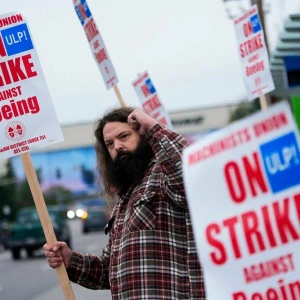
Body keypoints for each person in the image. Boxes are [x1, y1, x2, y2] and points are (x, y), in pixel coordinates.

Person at [43, 107, 206, 299]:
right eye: (109, 144)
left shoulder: (163, 175)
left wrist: (153, 127)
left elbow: (187, 173)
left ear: (143, 134)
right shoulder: (124, 200)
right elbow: (109, 271)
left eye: (124, 136)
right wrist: (71, 261)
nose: (117, 147)